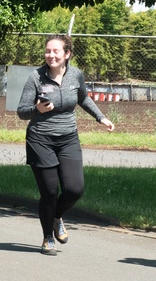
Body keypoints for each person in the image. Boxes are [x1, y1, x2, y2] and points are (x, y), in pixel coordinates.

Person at [17, 34, 114, 255]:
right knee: (49, 192)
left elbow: (83, 98)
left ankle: (57, 216)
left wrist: (101, 117)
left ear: (67, 54)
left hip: (68, 138)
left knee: (74, 189)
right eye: (47, 51)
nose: (50, 55)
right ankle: (47, 237)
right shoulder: (36, 77)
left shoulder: (75, 74)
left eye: (55, 51)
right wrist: (36, 110)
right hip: (40, 139)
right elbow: (22, 111)